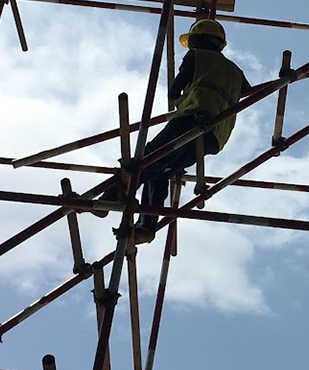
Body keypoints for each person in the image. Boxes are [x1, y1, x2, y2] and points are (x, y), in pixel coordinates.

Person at [100, 20, 250, 244]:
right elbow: (249, 92)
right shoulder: (236, 72)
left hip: (191, 119)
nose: (189, 47)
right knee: (160, 172)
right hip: (215, 137)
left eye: (192, 41)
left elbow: (174, 91)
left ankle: (113, 196)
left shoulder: (196, 56)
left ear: (199, 40)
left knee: (147, 157)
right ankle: (146, 228)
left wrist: (182, 101)